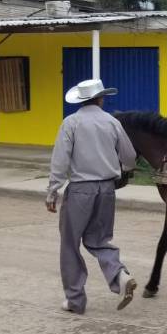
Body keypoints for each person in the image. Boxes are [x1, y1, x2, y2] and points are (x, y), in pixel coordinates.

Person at [47, 79, 139, 314]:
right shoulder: (112, 122)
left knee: (70, 244)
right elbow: (129, 157)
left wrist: (53, 190)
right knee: (99, 240)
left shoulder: (71, 122)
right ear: (101, 99)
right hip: (107, 190)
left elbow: (60, 160)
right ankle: (119, 275)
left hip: (80, 190)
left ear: (81, 100)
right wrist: (124, 169)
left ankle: (75, 300)